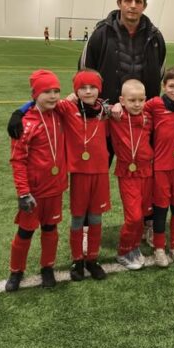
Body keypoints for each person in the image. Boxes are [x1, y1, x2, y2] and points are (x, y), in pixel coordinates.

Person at [5, 70, 68, 292]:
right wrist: (23, 192)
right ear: (35, 94)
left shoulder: (59, 112)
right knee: (25, 232)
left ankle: (47, 267)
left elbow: (79, 99)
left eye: (56, 91)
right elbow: (18, 161)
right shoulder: (25, 123)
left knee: (51, 230)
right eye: (47, 91)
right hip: (34, 192)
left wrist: (19, 109)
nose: (53, 96)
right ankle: (16, 270)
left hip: (55, 189)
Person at [57, 70, 110, 280]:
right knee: (78, 217)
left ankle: (92, 259)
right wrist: (20, 112)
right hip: (79, 173)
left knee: (96, 216)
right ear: (76, 90)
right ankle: (77, 260)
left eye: (92, 87)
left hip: (100, 172)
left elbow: (128, 108)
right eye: (83, 88)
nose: (88, 91)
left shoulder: (104, 111)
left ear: (99, 89)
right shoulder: (68, 108)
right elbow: (43, 102)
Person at [79, 0, 166, 104]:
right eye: (128, 0)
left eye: (138, 1)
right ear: (119, 3)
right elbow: (85, 72)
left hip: (144, 110)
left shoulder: (155, 37)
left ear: (144, 6)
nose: (133, 5)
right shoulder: (100, 34)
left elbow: (160, 73)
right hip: (108, 109)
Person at [144, 67, 174, 268]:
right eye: (171, 86)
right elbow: (136, 105)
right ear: (164, 86)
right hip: (161, 167)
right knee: (161, 209)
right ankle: (159, 248)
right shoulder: (155, 104)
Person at [109, 79, 154, 270]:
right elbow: (93, 106)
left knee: (142, 214)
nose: (137, 104)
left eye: (141, 100)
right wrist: (113, 106)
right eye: (131, 100)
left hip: (147, 171)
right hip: (127, 172)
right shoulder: (115, 116)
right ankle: (123, 251)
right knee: (133, 216)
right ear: (122, 100)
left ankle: (134, 247)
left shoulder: (148, 117)